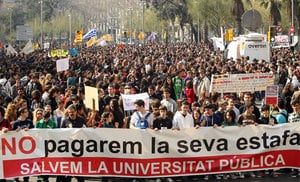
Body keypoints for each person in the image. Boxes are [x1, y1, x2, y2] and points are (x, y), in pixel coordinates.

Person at [58, 104, 86, 182]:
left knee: (79, 171)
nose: (71, 114)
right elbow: (61, 133)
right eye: (69, 112)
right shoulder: (65, 120)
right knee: (69, 171)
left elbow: (86, 131)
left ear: (76, 112)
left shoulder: (81, 119)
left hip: (78, 148)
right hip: (68, 148)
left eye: (73, 112)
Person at [12, 107, 34, 182]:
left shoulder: (29, 122)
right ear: (21, 113)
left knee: (27, 162)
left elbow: (35, 132)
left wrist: (30, 130)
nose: (27, 113)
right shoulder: (15, 123)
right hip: (18, 147)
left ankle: (26, 178)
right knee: (18, 162)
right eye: (26, 112)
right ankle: (16, 177)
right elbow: (10, 135)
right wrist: (15, 132)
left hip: (28, 147)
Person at [35, 110, 57, 182]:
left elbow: (57, 133)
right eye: (44, 118)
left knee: (47, 161)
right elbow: (35, 134)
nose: (45, 119)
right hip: (40, 145)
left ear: (49, 117)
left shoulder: (53, 123)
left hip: (49, 145)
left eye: (47, 118)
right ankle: (39, 176)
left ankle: (46, 177)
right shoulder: (38, 123)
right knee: (39, 161)